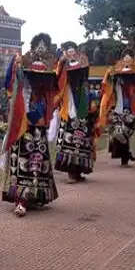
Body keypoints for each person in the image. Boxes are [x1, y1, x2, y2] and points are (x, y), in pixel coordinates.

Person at [1, 33, 59, 217]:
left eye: (44, 46)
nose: (40, 49)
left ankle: (35, 196)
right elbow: (10, 85)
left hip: (38, 124)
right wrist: (15, 65)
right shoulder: (23, 69)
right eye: (38, 46)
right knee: (21, 160)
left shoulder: (46, 85)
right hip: (22, 123)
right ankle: (21, 200)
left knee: (37, 160)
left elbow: (55, 91)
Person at [97, 51, 135, 167]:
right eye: (125, 58)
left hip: (132, 110)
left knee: (130, 135)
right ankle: (123, 157)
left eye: (129, 58)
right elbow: (107, 87)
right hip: (118, 110)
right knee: (119, 134)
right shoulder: (115, 77)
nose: (127, 60)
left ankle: (127, 157)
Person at [54, 43, 98, 183]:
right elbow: (57, 79)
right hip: (69, 106)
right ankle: (71, 173)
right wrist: (62, 62)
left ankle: (78, 171)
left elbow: (85, 76)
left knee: (82, 140)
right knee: (70, 140)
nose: (71, 54)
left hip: (81, 104)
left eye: (73, 51)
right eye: (69, 51)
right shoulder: (62, 65)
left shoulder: (83, 62)